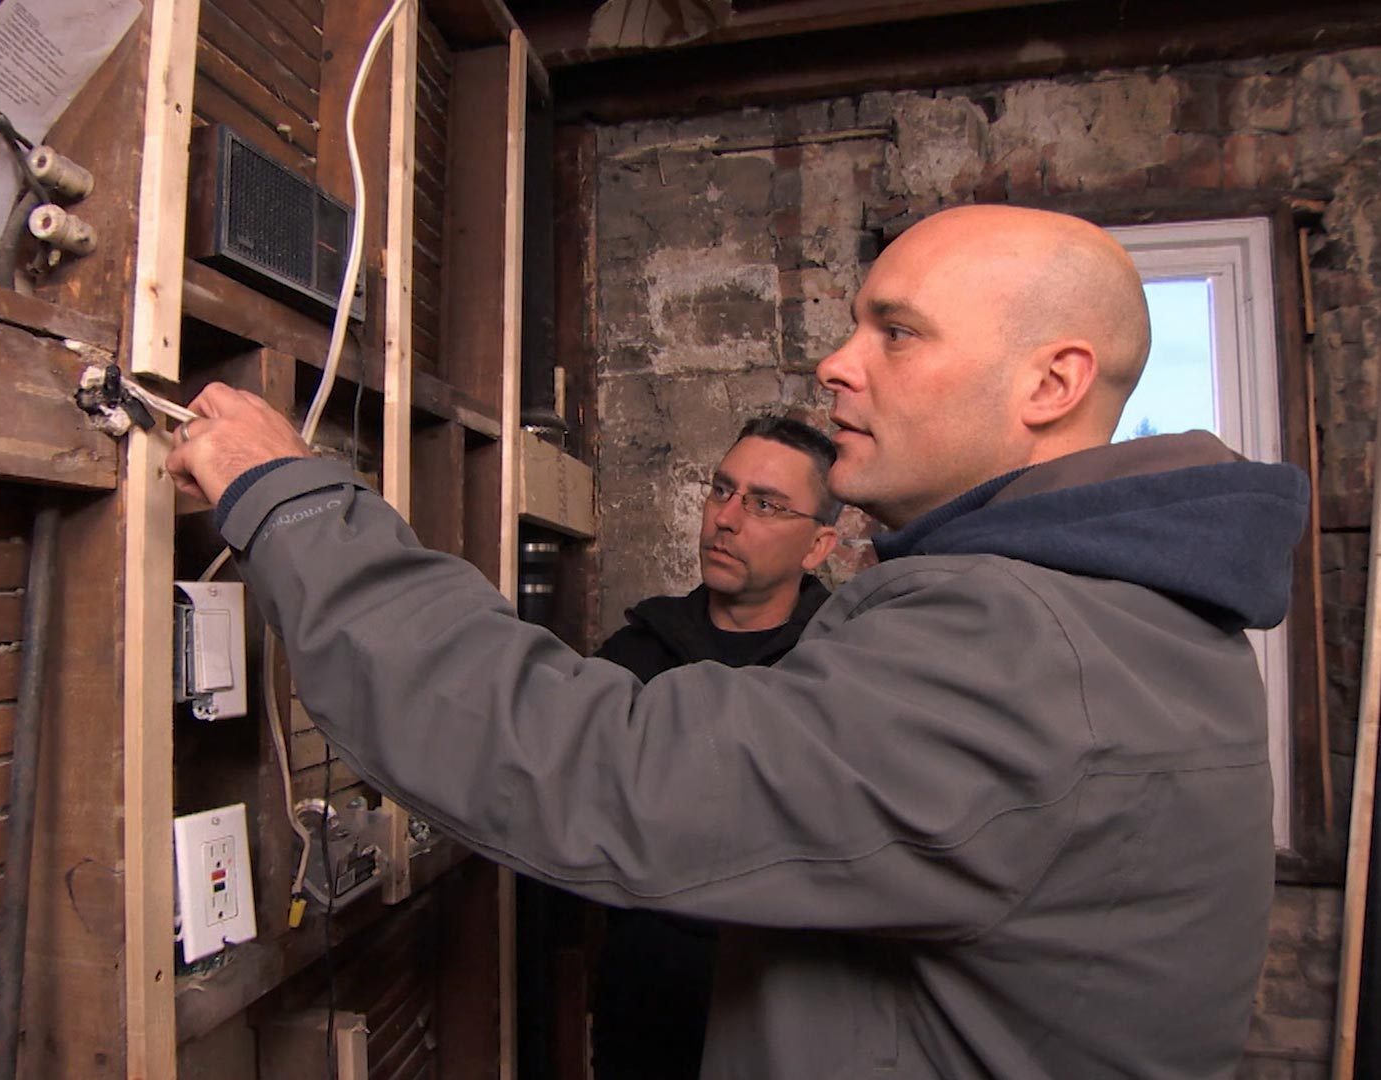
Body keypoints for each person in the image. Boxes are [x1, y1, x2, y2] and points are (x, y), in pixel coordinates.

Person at [166, 204, 1310, 1078]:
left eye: (897, 333)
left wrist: (294, 504)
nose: (837, 363)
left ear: (1050, 383)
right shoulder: (1112, 610)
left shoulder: (1033, 644)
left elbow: (602, 772)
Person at [591, 416, 839, 1080]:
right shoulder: (632, 658)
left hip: (792, 1034)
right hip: (643, 1026)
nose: (724, 519)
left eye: (763, 503)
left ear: (819, 546)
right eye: (721, 491)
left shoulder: (845, 674)